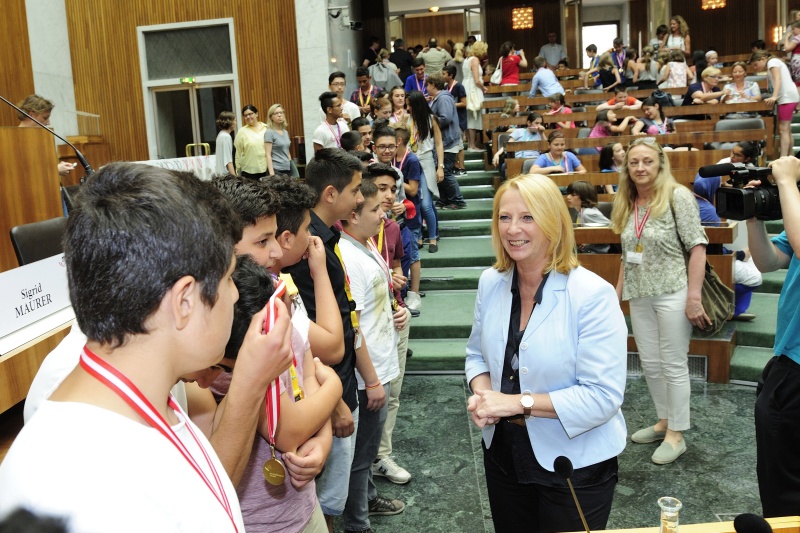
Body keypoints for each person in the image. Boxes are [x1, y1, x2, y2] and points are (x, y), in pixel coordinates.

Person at [0, 162, 294, 530]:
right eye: (228, 279)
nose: (235, 295)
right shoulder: (71, 479)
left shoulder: (146, 387)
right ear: (184, 301)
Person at [465, 174, 627, 533]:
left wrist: (515, 403)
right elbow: (476, 355)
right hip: (503, 453)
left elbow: (602, 397)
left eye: (528, 217)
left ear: (554, 222)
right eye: (504, 217)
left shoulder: (593, 295)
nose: (512, 229)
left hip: (574, 463)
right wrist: (485, 397)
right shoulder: (490, 282)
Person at [611, 138, 709, 465]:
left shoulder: (677, 195)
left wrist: (693, 296)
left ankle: (677, 434)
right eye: (634, 162)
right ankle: (665, 421)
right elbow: (628, 253)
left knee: (673, 364)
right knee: (650, 363)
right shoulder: (627, 200)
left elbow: (698, 246)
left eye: (647, 161)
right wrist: (617, 293)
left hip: (673, 291)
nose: (640, 167)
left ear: (660, 164)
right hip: (639, 294)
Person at [282, 149, 365, 530]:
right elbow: (316, 344)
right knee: (322, 502)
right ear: (330, 193)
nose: (360, 199)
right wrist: (333, 403)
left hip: (334, 381)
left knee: (330, 497)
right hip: (323, 387)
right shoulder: (305, 247)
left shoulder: (322, 237)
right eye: (356, 190)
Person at [339, 179, 407, 533]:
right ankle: (357, 523)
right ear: (353, 215)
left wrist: (398, 311)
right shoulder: (348, 256)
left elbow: (377, 301)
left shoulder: (366, 244)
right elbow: (354, 328)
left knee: (365, 453)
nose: (384, 215)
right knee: (361, 456)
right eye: (376, 209)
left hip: (381, 363)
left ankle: (366, 500)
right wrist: (372, 380)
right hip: (369, 374)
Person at [747, 155, 800, 518]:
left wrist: (786, 183)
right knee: (776, 474)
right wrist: (754, 217)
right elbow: (768, 261)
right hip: (788, 359)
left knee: (788, 489)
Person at [406, 90, 444, 251]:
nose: (407, 108)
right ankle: (420, 237)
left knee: (426, 205)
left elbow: (439, 144)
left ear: (417, 105)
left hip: (426, 161)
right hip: (411, 162)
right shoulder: (406, 119)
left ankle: (433, 238)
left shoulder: (431, 119)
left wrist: (440, 167)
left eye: (409, 105)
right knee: (416, 203)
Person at [428, 72, 467, 210]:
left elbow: (446, 118)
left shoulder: (443, 98)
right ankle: (444, 199)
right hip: (445, 141)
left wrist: (430, 123)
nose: (426, 88)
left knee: (446, 172)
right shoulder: (439, 98)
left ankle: (457, 199)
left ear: (433, 85)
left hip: (447, 141)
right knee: (440, 171)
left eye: (427, 85)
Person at [751, 50, 800, 157]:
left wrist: (774, 96)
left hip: (786, 98)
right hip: (789, 97)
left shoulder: (772, 62)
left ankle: (783, 157)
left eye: (756, 64)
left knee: (783, 130)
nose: (755, 67)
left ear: (762, 59)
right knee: (786, 130)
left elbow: (778, 79)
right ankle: (791, 156)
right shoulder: (774, 62)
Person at [16, 94, 75, 177]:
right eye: (45, 118)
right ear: (31, 115)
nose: (48, 123)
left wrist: (58, 167)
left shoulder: (40, 139)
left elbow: (40, 167)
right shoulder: (13, 140)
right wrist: (55, 170)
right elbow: (20, 172)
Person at [492, 112, 544, 178]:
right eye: (537, 123)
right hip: (518, 160)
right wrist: (497, 154)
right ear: (529, 123)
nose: (539, 126)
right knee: (503, 167)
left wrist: (542, 133)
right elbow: (508, 145)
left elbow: (545, 149)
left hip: (535, 161)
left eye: (540, 123)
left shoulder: (540, 134)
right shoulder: (519, 132)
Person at [566, 180, 612, 253]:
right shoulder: (580, 212)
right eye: (568, 194)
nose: (568, 197)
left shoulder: (588, 213)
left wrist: (589, 241)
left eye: (573, 195)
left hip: (599, 253)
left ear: (584, 197)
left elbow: (611, 229)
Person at [443, 64, 468, 175]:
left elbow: (464, 103)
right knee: (453, 144)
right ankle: (456, 166)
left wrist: (451, 104)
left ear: (451, 75)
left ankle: (462, 168)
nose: (442, 76)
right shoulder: (445, 87)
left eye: (444, 74)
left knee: (459, 145)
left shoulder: (459, 86)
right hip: (450, 120)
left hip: (458, 119)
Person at [463, 40, 488, 152]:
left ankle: (470, 144)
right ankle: (472, 145)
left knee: (469, 117)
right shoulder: (475, 60)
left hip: (467, 87)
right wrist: (484, 88)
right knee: (473, 117)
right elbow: (477, 80)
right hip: (473, 89)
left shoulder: (467, 59)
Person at [234, 104, 268, 179]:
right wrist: (237, 170)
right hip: (249, 172)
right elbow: (238, 153)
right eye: (245, 115)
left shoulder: (266, 128)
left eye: (250, 114)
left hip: (266, 170)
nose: (248, 117)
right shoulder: (242, 132)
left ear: (256, 114)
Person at [264, 104, 293, 177]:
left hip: (287, 169)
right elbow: (268, 154)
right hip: (276, 169)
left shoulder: (285, 132)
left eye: (281, 112)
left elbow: (287, 151)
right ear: (271, 117)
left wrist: (292, 166)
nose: (279, 115)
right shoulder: (269, 132)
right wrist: (271, 173)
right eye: (276, 113)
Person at [214, 110, 236, 176]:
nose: (236, 123)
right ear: (230, 123)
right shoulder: (226, 137)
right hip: (225, 175)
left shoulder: (220, 134)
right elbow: (228, 160)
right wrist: (234, 177)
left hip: (219, 175)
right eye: (235, 120)